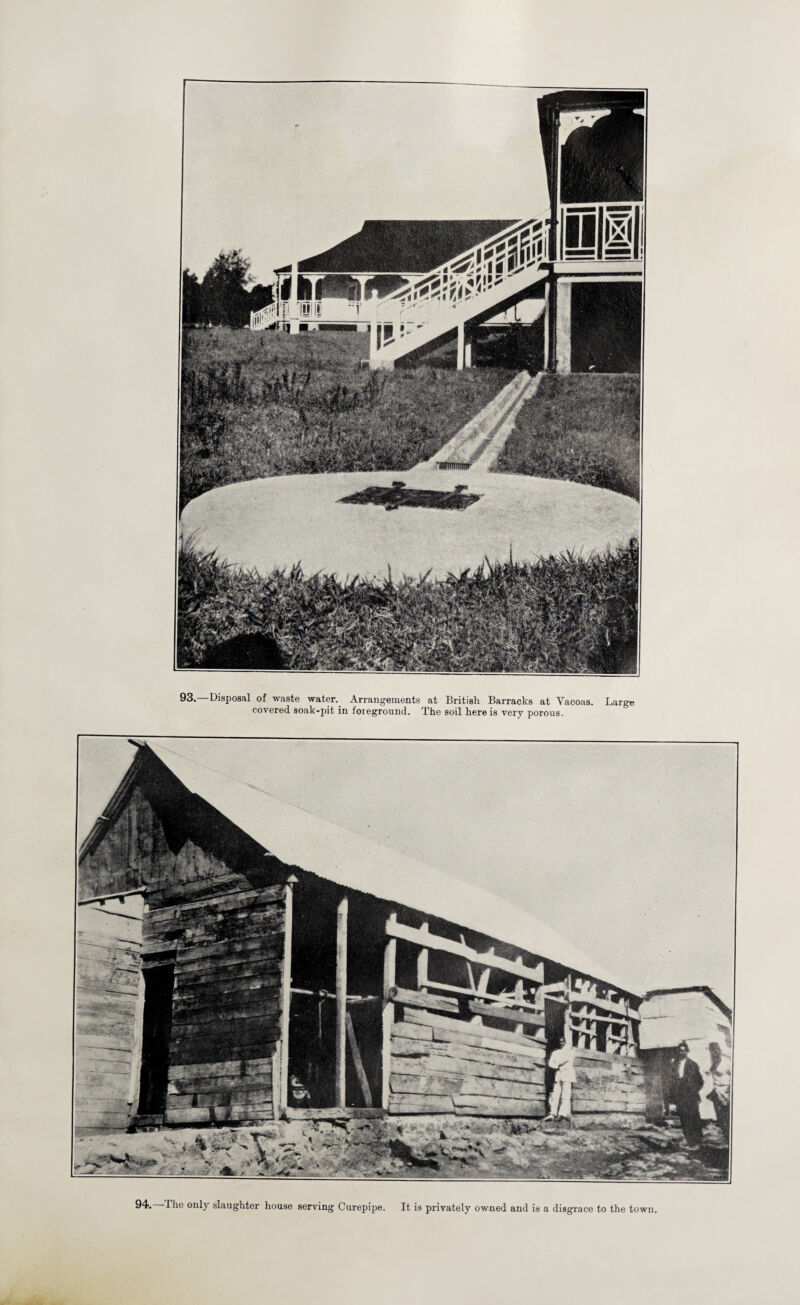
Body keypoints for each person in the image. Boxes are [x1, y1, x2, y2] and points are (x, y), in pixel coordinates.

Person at [672, 1040, 704, 1149]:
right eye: (680, 1051)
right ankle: (689, 1140)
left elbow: (700, 1081)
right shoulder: (675, 1064)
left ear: (687, 1051)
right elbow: (672, 1081)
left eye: (684, 1051)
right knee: (684, 1118)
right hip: (680, 1095)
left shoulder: (693, 1064)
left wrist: (694, 1091)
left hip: (690, 1096)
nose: (681, 1053)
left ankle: (697, 1141)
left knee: (693, 1118)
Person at [544, 1036, 576, 1124]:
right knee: (556, 1093)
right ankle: (553, 1113)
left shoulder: (570, 1051)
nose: (561, 1043)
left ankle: (562, 1114)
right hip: (559, 1074)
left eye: (562, 1041)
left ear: (565, 1042)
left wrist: (557, 1063)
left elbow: (564, 1060)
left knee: (565, 1095)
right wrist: (557, 1064)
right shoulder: (555, 1052)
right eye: (560, 1041)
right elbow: (551, 1064)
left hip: (567, 1073)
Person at [706, 1041, 731, 1138]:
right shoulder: (711, 1063)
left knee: (728, 1115)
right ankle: (726, 1135)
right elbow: (707, 1075)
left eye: (717, 1049)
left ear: (720, 1050)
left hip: (726, 1091)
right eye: (712, 1050)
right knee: (720, 1117)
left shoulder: (726, 1062)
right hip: (716, 1092)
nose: (715, 1052)